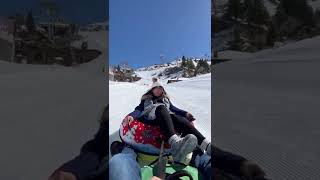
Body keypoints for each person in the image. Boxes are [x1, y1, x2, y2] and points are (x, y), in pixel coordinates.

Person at [126, 78, 211, 162]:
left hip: (166, 118)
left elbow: (174, 109)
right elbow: (139, 109)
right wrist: (132, 116)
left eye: (160, 88)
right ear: (152, 90)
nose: (158, 90)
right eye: (156, 88)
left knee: (176, 117)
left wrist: (186, 114)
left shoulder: (165, 100)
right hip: (152, 119)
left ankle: (206, 145)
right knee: (161, 107)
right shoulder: (146, 100)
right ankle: (175, 143)